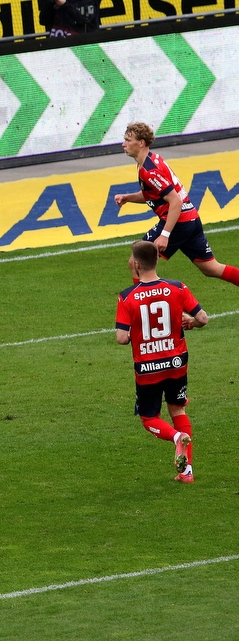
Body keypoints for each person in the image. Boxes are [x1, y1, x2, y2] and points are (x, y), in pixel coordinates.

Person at [115, 240, 208, 483]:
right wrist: (191, 322)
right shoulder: (177, 287)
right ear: (157, 259)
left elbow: (122, 339)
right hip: (177, 362)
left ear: (136, 264)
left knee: (149, 419)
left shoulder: (127, 297)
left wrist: (135, 328)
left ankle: (176, 438)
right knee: (177, 408)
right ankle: (187, 472)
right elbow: (203, 318)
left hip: (148, 368)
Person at [114, 122, 239, 288]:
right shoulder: (150, 161)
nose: (124, 144)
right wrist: (128, 197)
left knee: (137, 264)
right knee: (211, 268)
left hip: (178, 222)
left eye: (128, 140)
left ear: (141, 143)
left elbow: (175, 201)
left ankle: (144, 310)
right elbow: (156, 194)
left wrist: (165, 234)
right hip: (191, 219)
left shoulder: (150, 170)